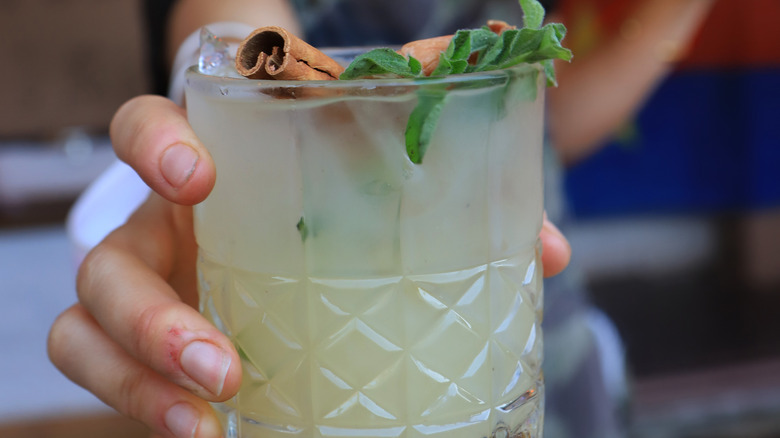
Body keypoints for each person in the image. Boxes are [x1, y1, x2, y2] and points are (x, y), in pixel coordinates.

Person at [47, 1, 714, 437]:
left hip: (521, 329)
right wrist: (215, 90)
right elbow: (239, 36)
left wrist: (673, 19)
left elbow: (546, 127)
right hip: (316, 290)